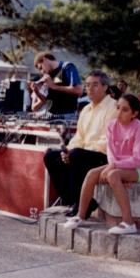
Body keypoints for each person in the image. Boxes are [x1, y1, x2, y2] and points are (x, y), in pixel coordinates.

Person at [62, 94, 140, 234]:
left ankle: (129, 222)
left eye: (125, 110)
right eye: (118, 108)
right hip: (120, 165)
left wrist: (117, 169)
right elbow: (111, 152)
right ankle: (80, 215)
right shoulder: (112, 126)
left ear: (135, 114)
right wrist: (117, 167)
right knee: (91, 174)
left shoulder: (139, 129)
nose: (119, 113)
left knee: (113, 175)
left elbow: (138, 159)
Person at [44, 69, 117, 217]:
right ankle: (72, 200)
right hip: (84, 153)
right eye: (87, 85)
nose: (90, 88)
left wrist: (76, 152)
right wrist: (68, 151)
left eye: (95, 85)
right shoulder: (85, 110)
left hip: (105, 156)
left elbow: (109, 140)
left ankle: (81, 203)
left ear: (105, 87)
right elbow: (79, 137)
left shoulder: (113, 107)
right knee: (51, 157)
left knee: (77, 155)